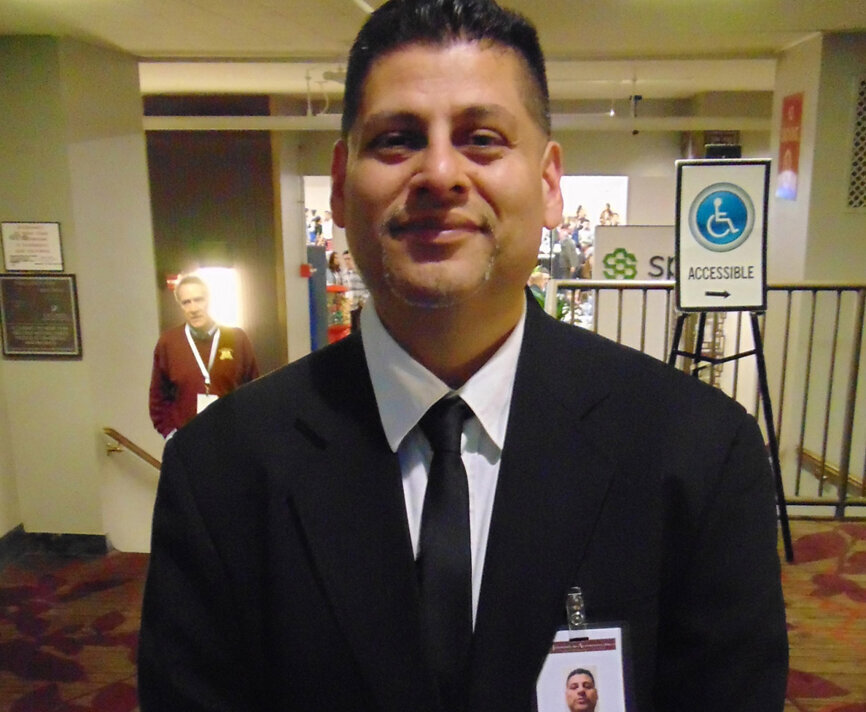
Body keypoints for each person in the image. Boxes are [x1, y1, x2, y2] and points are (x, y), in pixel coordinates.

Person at [138, 1, 787, 710]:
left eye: (482, 138)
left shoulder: (696, 452)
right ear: (340, 184)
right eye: (397, 140)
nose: (441, 173)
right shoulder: (221, 470)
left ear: (548, 184)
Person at [148, 274, 259, 439]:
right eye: (186, 302)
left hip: (231, 439)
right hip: (188, 441)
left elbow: (254, 391)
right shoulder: (168, 343)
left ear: (209, 300)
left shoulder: (237, 338)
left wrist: (247, 431)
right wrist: (171, 434)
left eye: (198, 300)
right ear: (180, 305)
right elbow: (158, 397)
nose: (193, 308)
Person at [342, 250, 369, 332]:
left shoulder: (361, 272)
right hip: (348, 306)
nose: (347, 261)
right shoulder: (344, 274)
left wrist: (363, 300)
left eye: (349, 259)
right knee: (351, 329)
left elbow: (368, 288)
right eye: (345, 259)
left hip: (360, 305)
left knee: (360, 328)